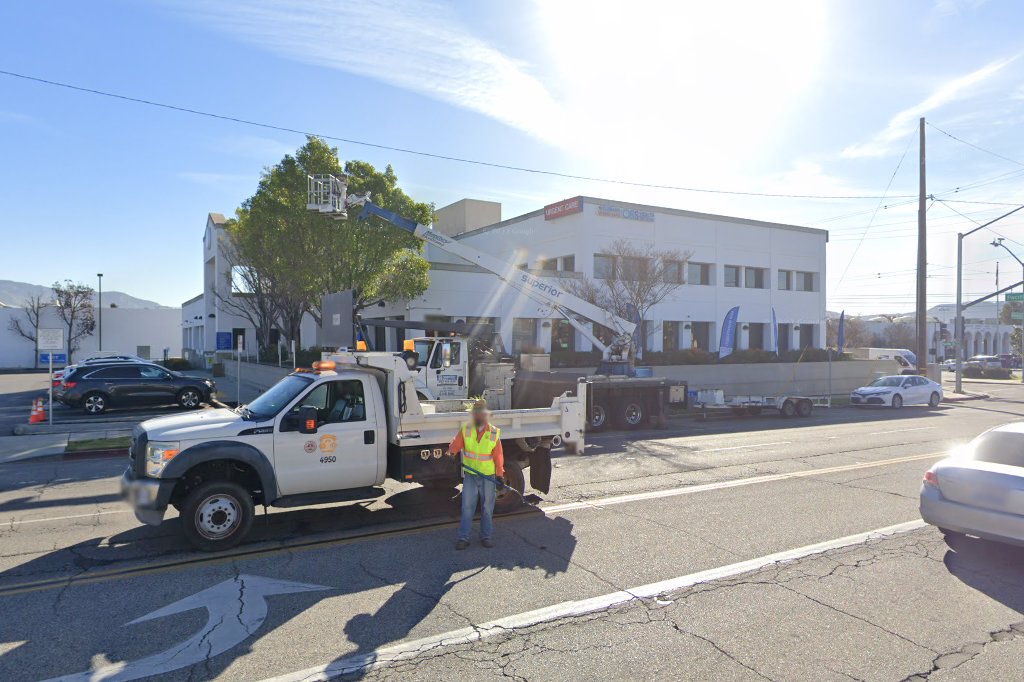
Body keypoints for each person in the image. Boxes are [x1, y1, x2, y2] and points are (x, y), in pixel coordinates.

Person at [446, 399, 504, 549]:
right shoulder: (466, 430)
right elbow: (456, 444)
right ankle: (463, 538)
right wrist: (451, 452)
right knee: (467, 507)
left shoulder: (493, 433)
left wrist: (500, 475)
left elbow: (498, 456)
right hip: (471, 475)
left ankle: (486, 536)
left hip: (488, 476)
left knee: (487, 507)